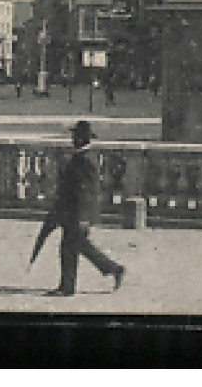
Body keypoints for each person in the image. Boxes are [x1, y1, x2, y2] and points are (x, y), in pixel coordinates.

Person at [46, 120, 125, 296]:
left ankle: (67, 287)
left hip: (78, 214)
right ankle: (113, 269)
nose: (72, 138)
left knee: (69, 248)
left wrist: (83, 218)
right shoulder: (82, 157)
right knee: (79, 246)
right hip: (73, 212)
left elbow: (87, 192)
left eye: (75, 136)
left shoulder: (86, 160)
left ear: (82, 138)